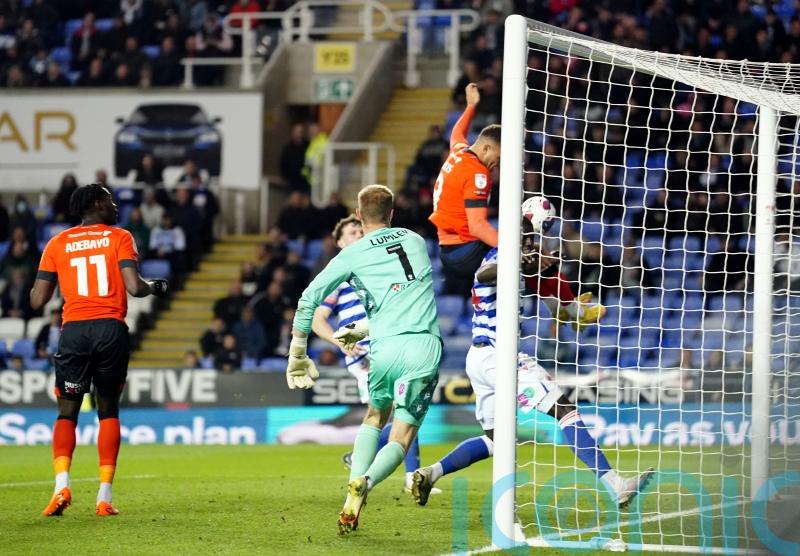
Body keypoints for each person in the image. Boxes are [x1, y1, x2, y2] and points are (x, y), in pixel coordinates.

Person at [410, 231, 652, 509]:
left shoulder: (521, 269)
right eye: (528, 243)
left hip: (479, 357)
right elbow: (485, 274)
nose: (533, 247)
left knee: (495, 439)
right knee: (564, 409)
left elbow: (551, 295)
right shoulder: (499, 257)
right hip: (499, 355)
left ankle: (431, 473)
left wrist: (569, 305)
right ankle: (615, 484)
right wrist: (519, 260)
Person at [287, 184, 441, 534]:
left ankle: (353, 489)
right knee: (401, 437)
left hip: (383, 350)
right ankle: (366, 483)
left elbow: (308, 300)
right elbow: (403, 296)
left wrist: (297, 350)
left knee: (374, 416)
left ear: (359, 215)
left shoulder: (351, 254)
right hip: (423, 347)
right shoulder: (416, 241)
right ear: (391, 214)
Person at [30, 183, 168, 517]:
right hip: (110, 330)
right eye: (109, 200)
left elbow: (38, 300)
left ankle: (61, 486)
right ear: (95, 204)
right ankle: (104, 498)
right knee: (108, 409)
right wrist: (155, 287)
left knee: (67, 410)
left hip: (74, 332)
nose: (115, 205)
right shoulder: (120, 237)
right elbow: (134, 288)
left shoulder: (57, 243)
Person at [311, 215, 439, 496]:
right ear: (340, 242)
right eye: (351, 233)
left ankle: (369, 463)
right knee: (389, 411)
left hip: (392, 343)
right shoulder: (340, 277)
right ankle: (401, 473)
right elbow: (317, 319)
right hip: (365, 355)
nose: (358, 234)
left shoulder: (378, 266)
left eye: (360, 229)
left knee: (396, 410)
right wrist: (339, 340)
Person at [428, 83, 501, 296]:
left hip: (449, 249)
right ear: (486, 148)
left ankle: (494, 271)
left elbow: (457, 133)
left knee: (524, 257)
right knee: (525, 239)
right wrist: (514, 249)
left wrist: (470, 106)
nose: (497, 165)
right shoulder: (478, 173)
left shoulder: (459, 153)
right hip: (465, 251)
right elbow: (477, 226)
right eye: (498, 158)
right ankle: (565, 307)